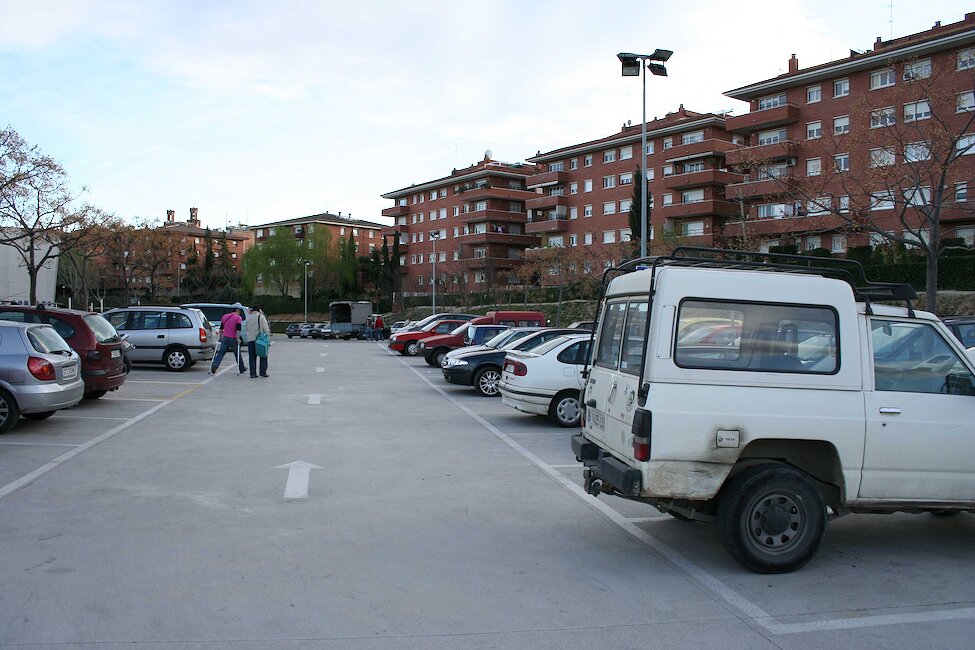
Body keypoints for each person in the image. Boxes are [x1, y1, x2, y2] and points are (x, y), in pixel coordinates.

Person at [210, 304, 247, 375]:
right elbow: (238, 329)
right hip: (233, 338)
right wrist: (238, 338)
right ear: (236, 311)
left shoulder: (225, 316)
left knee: (221, 353)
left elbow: (221, 328)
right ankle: (241, 368)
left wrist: (220, 337)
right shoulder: (238, 318)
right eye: (239, 311)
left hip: (225, 338)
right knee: (237, 354)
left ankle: (215, 365)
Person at [244, 305, 271, 378]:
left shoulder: (248, 318)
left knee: (252, 357)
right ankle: (262, 372)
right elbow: (266, 329)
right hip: (260, 340)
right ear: (259, 310)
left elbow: (246, 329)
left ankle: (252, 373)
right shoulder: (261, 317)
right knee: (263, 355)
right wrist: (268, 338)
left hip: (250, 340)